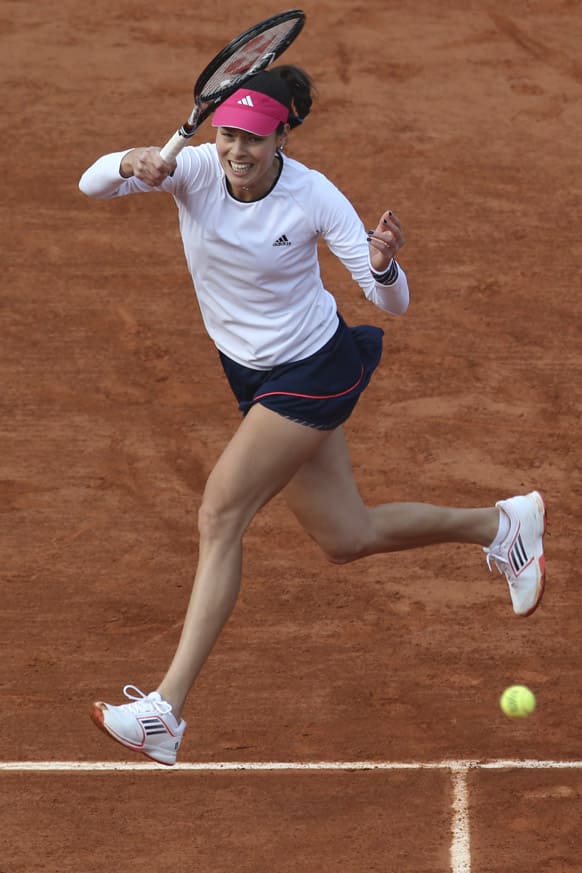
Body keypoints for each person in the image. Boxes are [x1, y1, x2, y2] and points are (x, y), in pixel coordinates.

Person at [79, 65, 546, 766]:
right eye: (230, 133)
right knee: (345, 536)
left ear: (281, 137)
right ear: (215, 131)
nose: (239, 150)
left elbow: (392, 303)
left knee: (220, 512)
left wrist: (384, 266)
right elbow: (92, 183)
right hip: (251, 374)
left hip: (313, 371)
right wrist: (128, 161)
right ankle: (502, 525)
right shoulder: (193, 169)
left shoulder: (312, 195)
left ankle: (165, 711)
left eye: (255, 139)